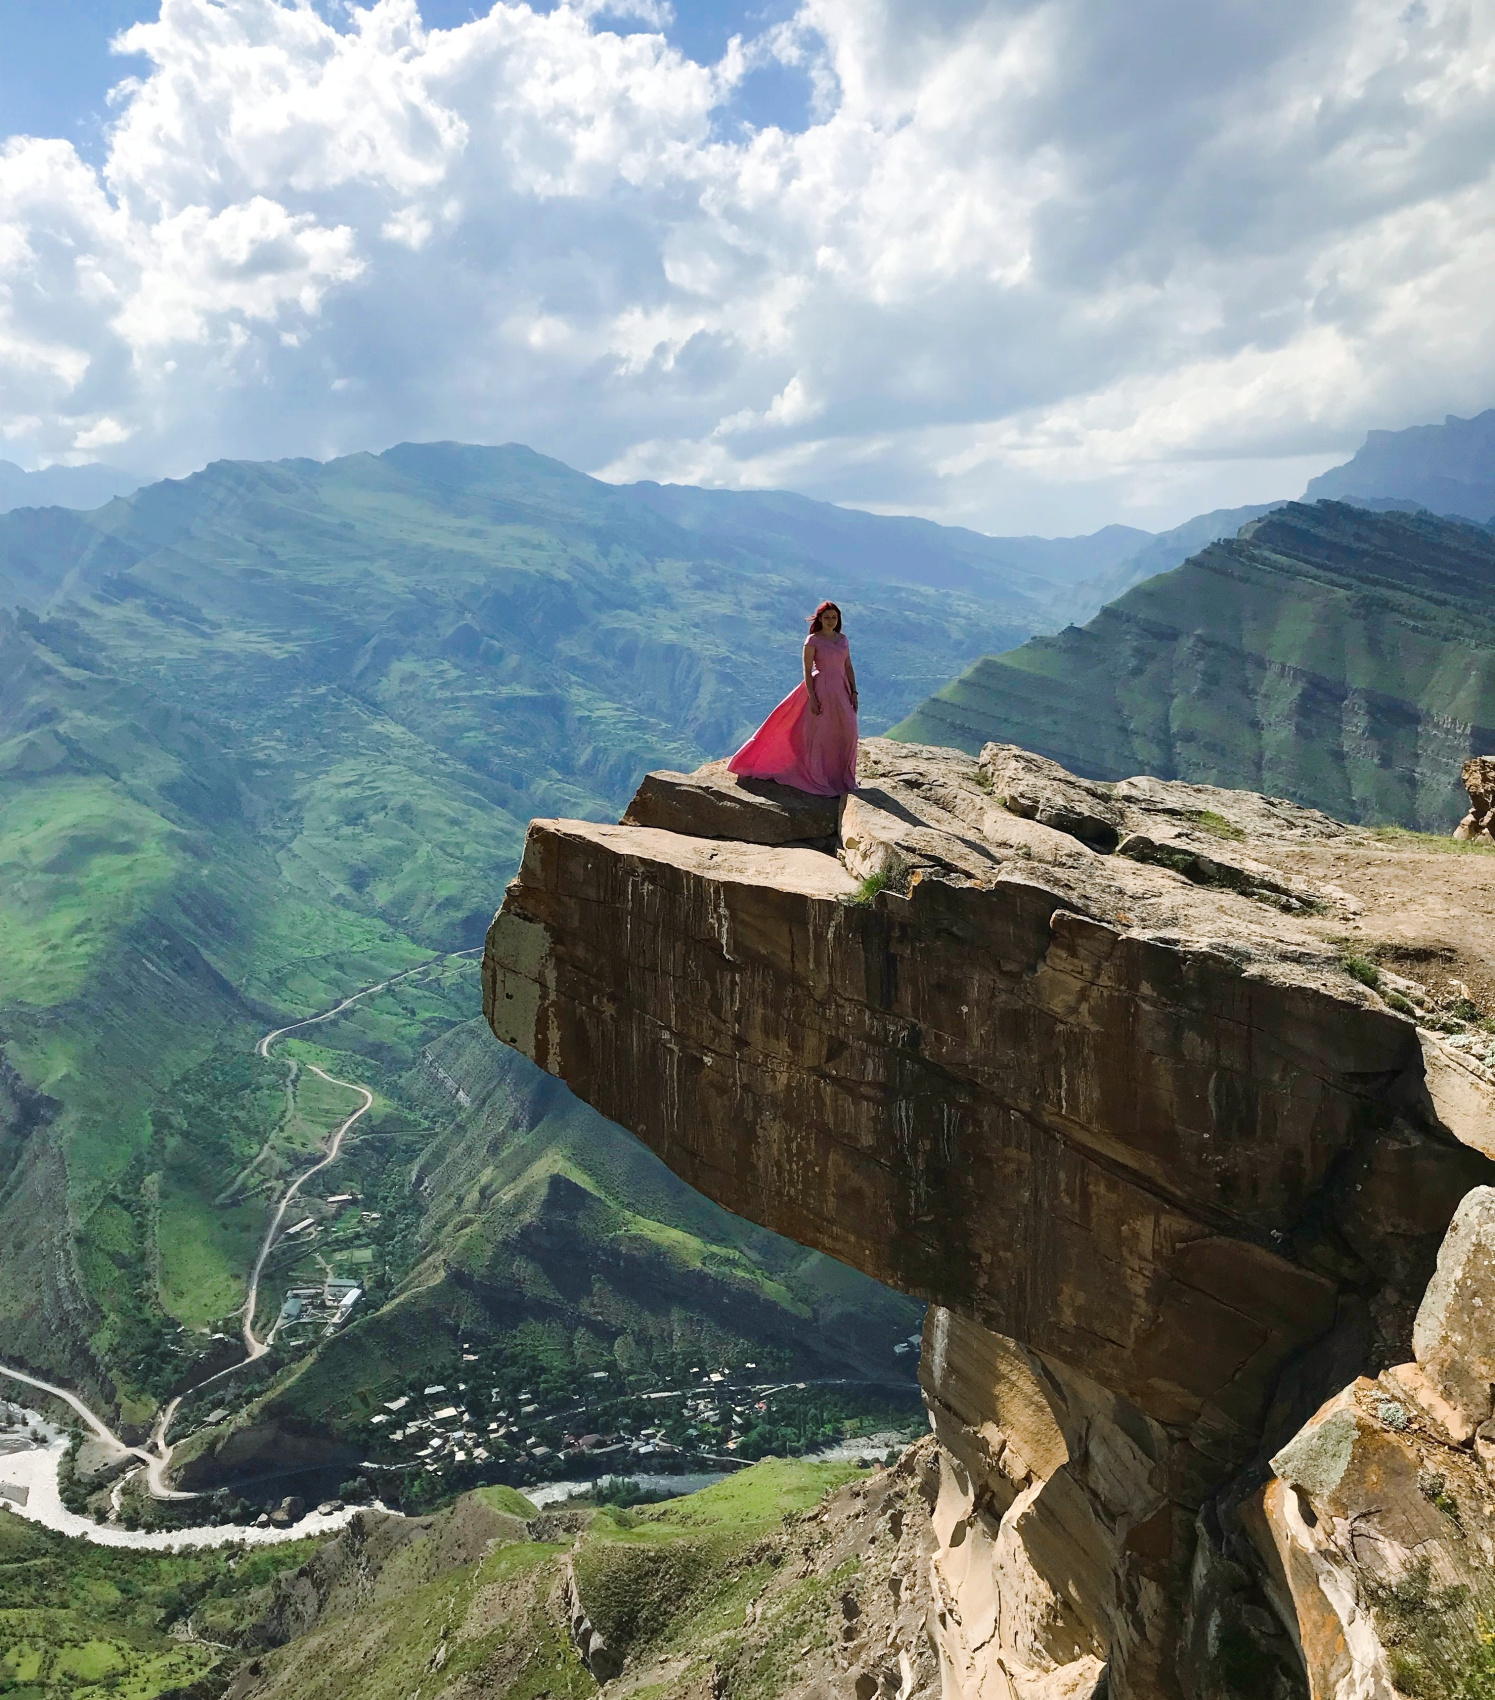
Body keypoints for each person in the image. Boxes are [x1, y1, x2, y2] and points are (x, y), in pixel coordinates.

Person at [727, 601, 859, 796]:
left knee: (848, 731)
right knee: (821, 734)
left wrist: (854, 692)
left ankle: (842, 777)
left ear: (838, 619)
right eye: (827, 617)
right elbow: (807, 670)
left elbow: (847, 666)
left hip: (842, 689)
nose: (831, 621)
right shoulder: (813, 640)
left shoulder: (843, 639)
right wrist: (812, 697)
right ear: (820, 619)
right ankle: (819, 776)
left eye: (834, 617)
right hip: (821, 687)